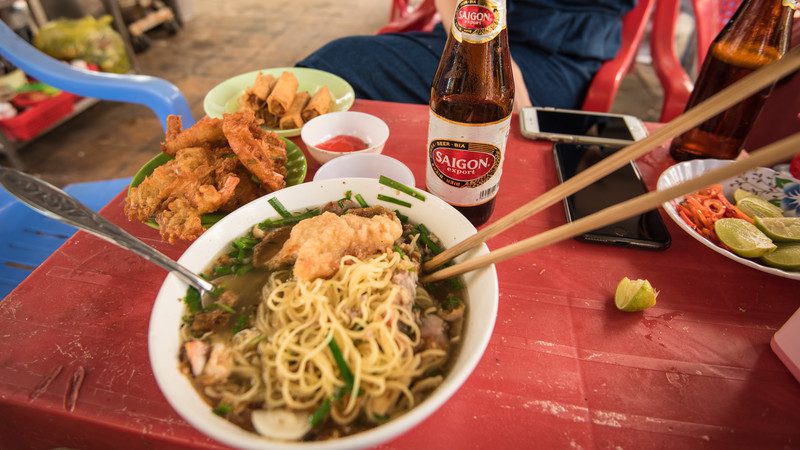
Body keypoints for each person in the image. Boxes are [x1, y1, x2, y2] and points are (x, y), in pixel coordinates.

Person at [297, 0, 636, 110]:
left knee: (335, 67)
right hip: (468, 23)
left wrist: (504, 70)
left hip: (553, 52)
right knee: (324, 73)